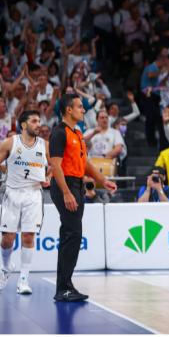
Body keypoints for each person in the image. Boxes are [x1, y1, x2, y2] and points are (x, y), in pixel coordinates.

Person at [49, 94, 117, 301]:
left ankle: (66, 285)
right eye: (80, 106)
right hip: (66, 185)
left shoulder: (77, 133)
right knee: (73, 234)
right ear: (68, 109)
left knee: (71, 235)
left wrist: (102, 180)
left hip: (77, 185)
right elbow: (55, 165)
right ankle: (63, 288)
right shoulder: (59, 133)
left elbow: (85, 162)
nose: (84, 110)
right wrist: (67, 193)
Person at [0, 110, 50, 295]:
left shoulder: (44, 144)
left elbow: (55, 165)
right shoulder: (10, 142)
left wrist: (49, 177)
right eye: (34, 121)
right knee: (7, 240)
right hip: (12, 193)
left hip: (34, 194)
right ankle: (6, 267)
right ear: (23, 125)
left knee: (28, 237)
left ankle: (23, 280)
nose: (39, 124)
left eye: (39, 120)